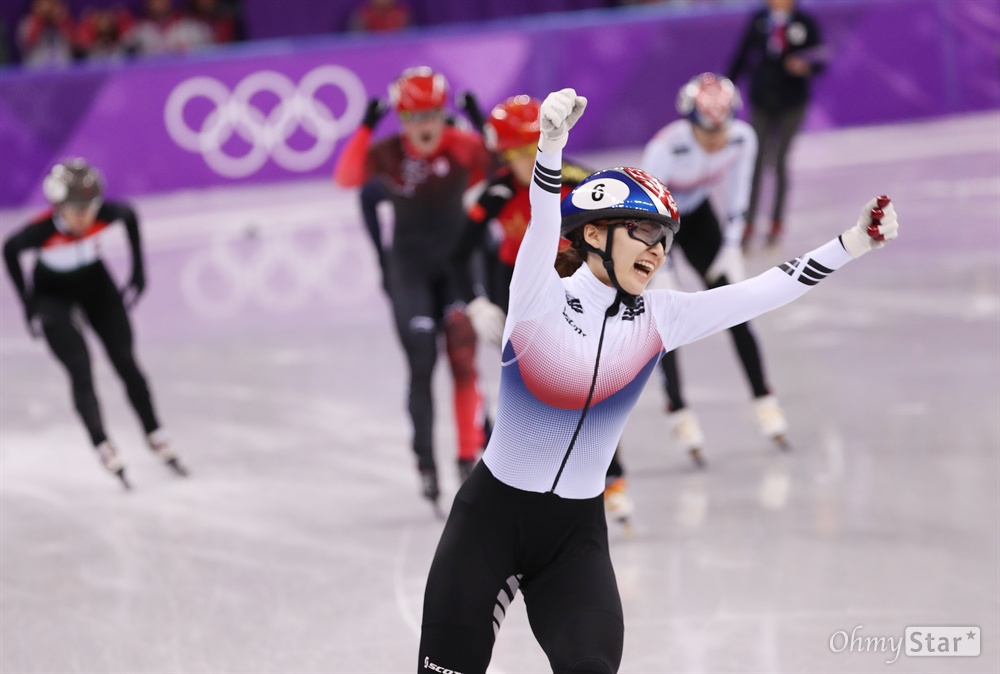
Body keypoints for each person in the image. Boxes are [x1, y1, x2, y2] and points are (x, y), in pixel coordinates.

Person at [417, 88, 898, 672]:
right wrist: (549, 147)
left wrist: (851, 244)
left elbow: (760, 291)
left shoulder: (660, 317)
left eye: (664, 238)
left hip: (574, 537)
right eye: (643, 234)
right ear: (595, 235)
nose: (657, 249)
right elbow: (544, 221)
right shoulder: (537, 297)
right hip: (489, 523)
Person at [453, 94, 635, 527]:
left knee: (589, 374)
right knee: (523, 378)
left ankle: (611, 477)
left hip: (571, 276)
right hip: (515, 283)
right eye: (509, 156)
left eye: (521, 154)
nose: (515, 166)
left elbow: (618, 229)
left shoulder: (578, 179)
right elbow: (459, 252)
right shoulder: (499, 190)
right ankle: (521, 472)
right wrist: (477, 300)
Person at [332, 67, 493, 512]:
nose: (423, 126)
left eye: (432, 115)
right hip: (410, 271)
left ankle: (468, 457)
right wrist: (365, 126)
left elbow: (502, 165)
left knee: (463, 360)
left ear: (444, 115)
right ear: (400, 120)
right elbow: (346, 179)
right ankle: (426, 462)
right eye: (412, 117)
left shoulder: (463, 146)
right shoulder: (386, 154)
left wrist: (479, 120)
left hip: (458, 267)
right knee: (421, 363)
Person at [3, 158, 188, 489]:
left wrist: (138, 272)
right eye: (76, 209)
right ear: (58, 206)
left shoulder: (105, 215)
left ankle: (154, 432)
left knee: (126, 362)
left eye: (90, 207)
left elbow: (129, 215)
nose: (85, 216)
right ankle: (102, 444)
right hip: (52, 296)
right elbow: (9, 250)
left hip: (96, 287)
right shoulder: (41, 231)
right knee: (80, 367)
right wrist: (28, 302)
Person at [641, 72, 786, 467]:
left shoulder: (742, 137)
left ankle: (764, 397)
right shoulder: (665, 148)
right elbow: (650, 210)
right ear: (691, 122)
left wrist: (732, 244)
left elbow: (740, 191)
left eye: (722, 130)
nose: (717, 140)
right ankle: (678, 409)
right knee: (666, 320)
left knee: (737, 306)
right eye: (708, 132)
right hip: (661, 223)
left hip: (703, 218)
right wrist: (661, 264)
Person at [727, 0, 825, 248]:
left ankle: (775, 223)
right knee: (755, 161)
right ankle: (747, 225)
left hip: (792, 103)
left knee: (779, 161)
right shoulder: (759, 20)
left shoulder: (805, 22)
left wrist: (807, 66)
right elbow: (741, 56)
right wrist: (726, 87)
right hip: (762, 100)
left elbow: (820, 58)